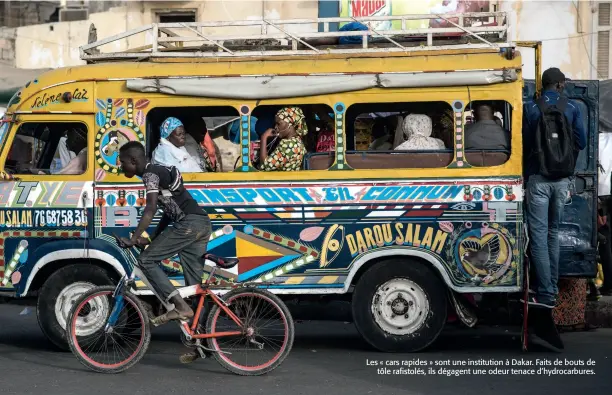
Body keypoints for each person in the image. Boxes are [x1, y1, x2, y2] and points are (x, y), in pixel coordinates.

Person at [521, 67, 587, 312]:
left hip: (538, 178)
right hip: (562, 181)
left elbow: (526, 143)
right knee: (553, 232)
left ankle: (546, 292)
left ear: (543, 85)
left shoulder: (531, 107)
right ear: (559, 85)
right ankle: (553, 289)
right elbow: (580, 141)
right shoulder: (572, 108)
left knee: (538, 235)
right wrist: (563, 160)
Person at [259, 107, 308, 171]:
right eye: (275, 124)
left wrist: (264, 137)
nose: (275, 127)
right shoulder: (297, 140)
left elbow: (264, 166)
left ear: (290, 124)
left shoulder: (287, 145)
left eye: (278, 124)